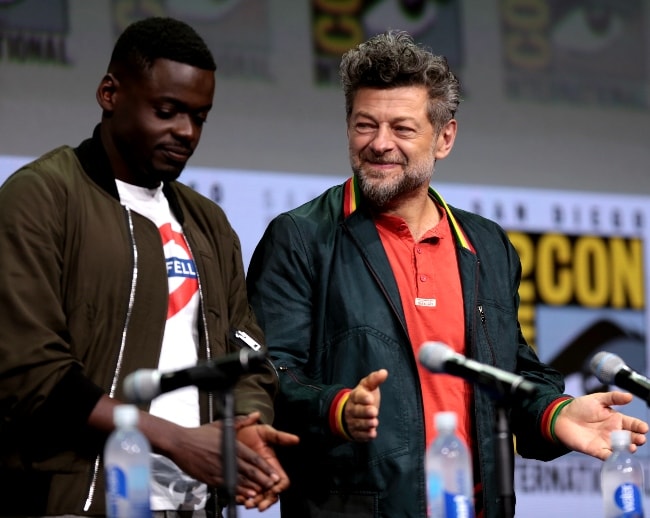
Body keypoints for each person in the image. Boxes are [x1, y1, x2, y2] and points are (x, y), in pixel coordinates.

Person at [245, 30, 648, 518]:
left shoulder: (487, 245)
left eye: (402, 128)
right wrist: (336, 407)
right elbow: (266, 376)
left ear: (445, 138)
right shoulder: (301, 237)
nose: (379, 144)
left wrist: (555, 413)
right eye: (364, 125)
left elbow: (510, 374)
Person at [0, 16, 298, 518]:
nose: (185, 131)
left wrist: (246, 424)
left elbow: (247, 355)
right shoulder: (40, 197)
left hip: (196, 504)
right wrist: (175, 441)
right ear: (110, 93)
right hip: (78, 500)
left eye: (199, 117)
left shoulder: (209, 222)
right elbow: (29, 372)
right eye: (167, 110)